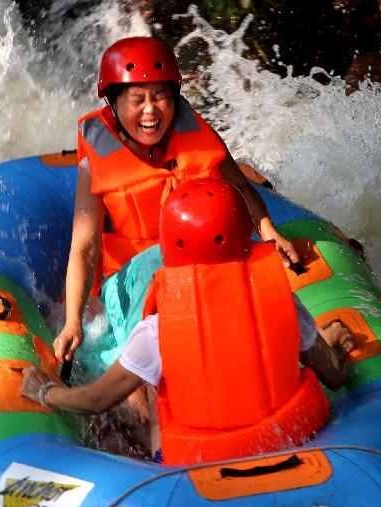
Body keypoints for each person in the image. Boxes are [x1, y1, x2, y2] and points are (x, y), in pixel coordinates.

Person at [24, 179, 354, 465]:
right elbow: (335, 377)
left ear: (169, 251)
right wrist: (335, 345)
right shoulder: (282, 301)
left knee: (152, 392)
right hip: (289, 447)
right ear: (245, 236)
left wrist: (47, 392)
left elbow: (95, 400)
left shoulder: (157, 328)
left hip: (193, 471)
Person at [55, 36, 299, 366]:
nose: (150, 110)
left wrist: (270, 232)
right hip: (133, 277)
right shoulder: (97, 160)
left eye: (160, 97)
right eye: (137, 99)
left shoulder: (196, 135)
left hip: (202, 265)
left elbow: (240, 188)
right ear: (113, 104)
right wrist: (73, 321)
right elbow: (85, 245)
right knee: (150, 332)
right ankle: (148, 406)